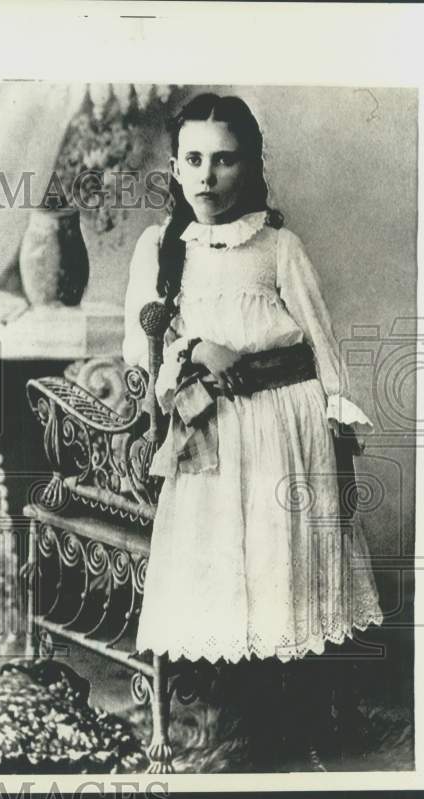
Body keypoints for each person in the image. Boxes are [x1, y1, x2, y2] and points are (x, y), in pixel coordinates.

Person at [122, 94, 384, 763]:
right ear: (175, 168)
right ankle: (232, 718)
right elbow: (143, 352)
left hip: (282, 423)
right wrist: (189, 353)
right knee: (225, 567)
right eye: (195, 159)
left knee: (280, 558)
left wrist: (337, 416)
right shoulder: (160, 252)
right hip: (209, 429)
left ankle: (298, 713)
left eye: (225, 159)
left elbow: (322, 344)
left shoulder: (278, 245)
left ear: (250, 166)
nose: (209, 175)